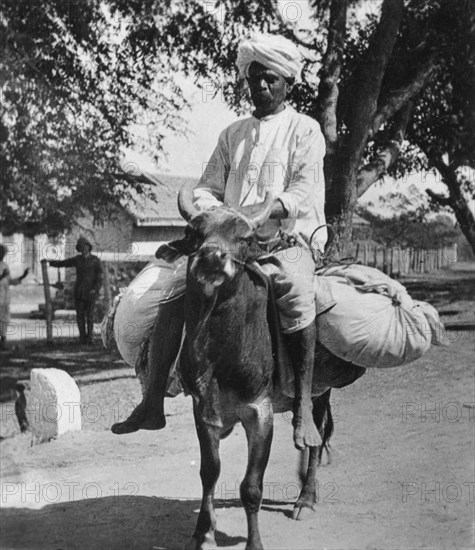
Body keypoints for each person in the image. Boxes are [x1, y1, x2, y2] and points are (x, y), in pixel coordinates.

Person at [112, 33, 327, 450]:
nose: (260, 87)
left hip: (284, 239)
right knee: (178, 292)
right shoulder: (232, 134)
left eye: (270, 80)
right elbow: (208, 188)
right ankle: (153, 400)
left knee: (299, 292)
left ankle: (302, 406)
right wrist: (213, 214)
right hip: (229, 240)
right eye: (253, 79)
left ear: (288, 83)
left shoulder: (306, 130)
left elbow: (305, 188)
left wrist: (269, 209)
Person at [49, 237, 103, 345]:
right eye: (81, 247)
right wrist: (51, 262)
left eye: (85, 246)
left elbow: (99, 277)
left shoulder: (95, 260)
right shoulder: (77, 260)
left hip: (90, 292)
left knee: (90, 316)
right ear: (79, 249)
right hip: (79, 292)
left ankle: (90, 338)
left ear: (88, 247)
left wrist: (95, 289)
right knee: (80, 316)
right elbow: (64, 263)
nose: (83, 249)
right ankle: (82, 338)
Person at [0, 244, 29, 351]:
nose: (2, 255)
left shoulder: (4, 265)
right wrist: (2, 276)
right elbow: (3, 277)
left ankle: (3, 342)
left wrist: (23, 276)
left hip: (5, 299)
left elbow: (9, 281)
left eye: (3, 253)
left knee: (4, 320)